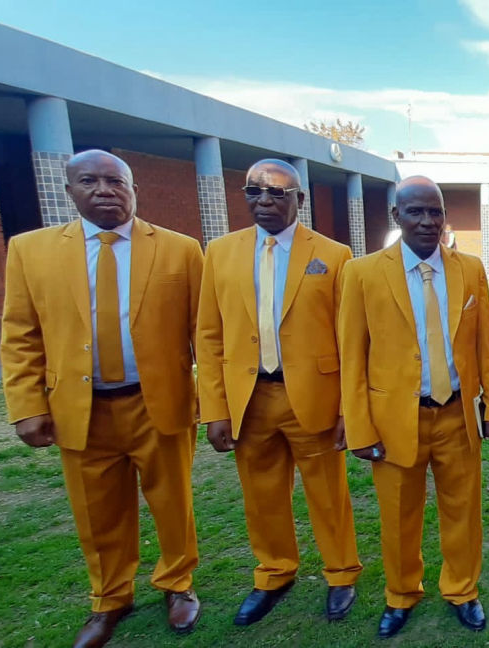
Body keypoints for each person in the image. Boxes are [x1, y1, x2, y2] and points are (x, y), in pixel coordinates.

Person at [0, 149, 203, 647]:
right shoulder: (30, 250)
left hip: (158, 402)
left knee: (173, 503)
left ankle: (177, 584)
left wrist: (216, 403)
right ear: (69, 191)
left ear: (134, 189)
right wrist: (27, 405)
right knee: (97, 512)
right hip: (80, 408)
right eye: (89, 181)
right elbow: (20, 334)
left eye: (115, 181)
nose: (104, 190)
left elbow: (205, 332)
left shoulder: (181, 249)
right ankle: (110, 598)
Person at [195, 159, 361, 627]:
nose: (264, 201)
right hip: (250, 397)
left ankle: (341, 572)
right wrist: (215, 408)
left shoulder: (334, 255)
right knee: (262, 494)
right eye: (254, 192)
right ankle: (274, 572)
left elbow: (349, 337)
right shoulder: (220, 253)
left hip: (313, 395)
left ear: (299, 200)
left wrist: (348, 409)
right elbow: (208, 335)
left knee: (328, 493)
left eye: (277, 193)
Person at [339, 175, 489, 638]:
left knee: (463, 512)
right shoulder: (362, 273)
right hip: (394, 420)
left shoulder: (469, 269)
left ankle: (462, 590)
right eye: (416, 211)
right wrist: (359, 428)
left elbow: (484, 345)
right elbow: (352, 358)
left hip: (456, 416)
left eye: (436, 212)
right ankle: (401, 593)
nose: (428, 221)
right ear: (397, 216)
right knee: (397, 516)